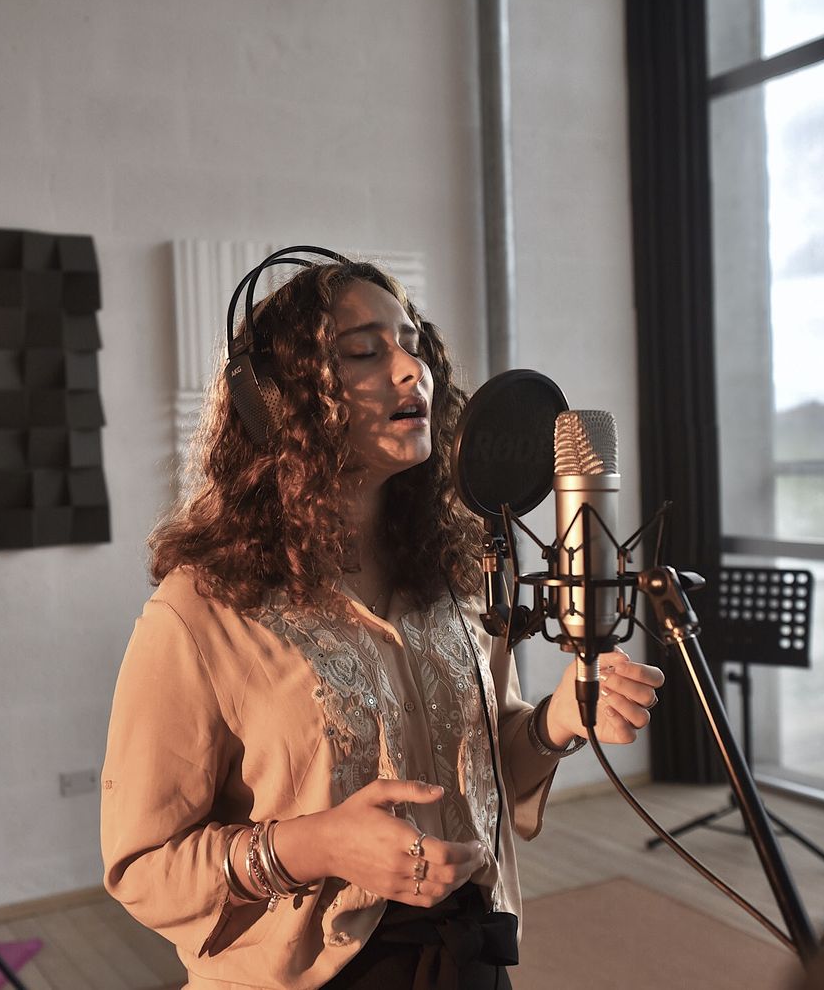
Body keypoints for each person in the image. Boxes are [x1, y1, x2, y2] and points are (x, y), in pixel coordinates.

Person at [100, 255, 665, 989]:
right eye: (363, 351)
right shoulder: (198, 610)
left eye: (413, 343)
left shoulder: (454, 578)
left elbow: (485, 764)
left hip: (471, 958)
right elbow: (144, 866)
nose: (411, 371)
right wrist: (317, 846)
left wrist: (559, 720)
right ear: (276, 404)